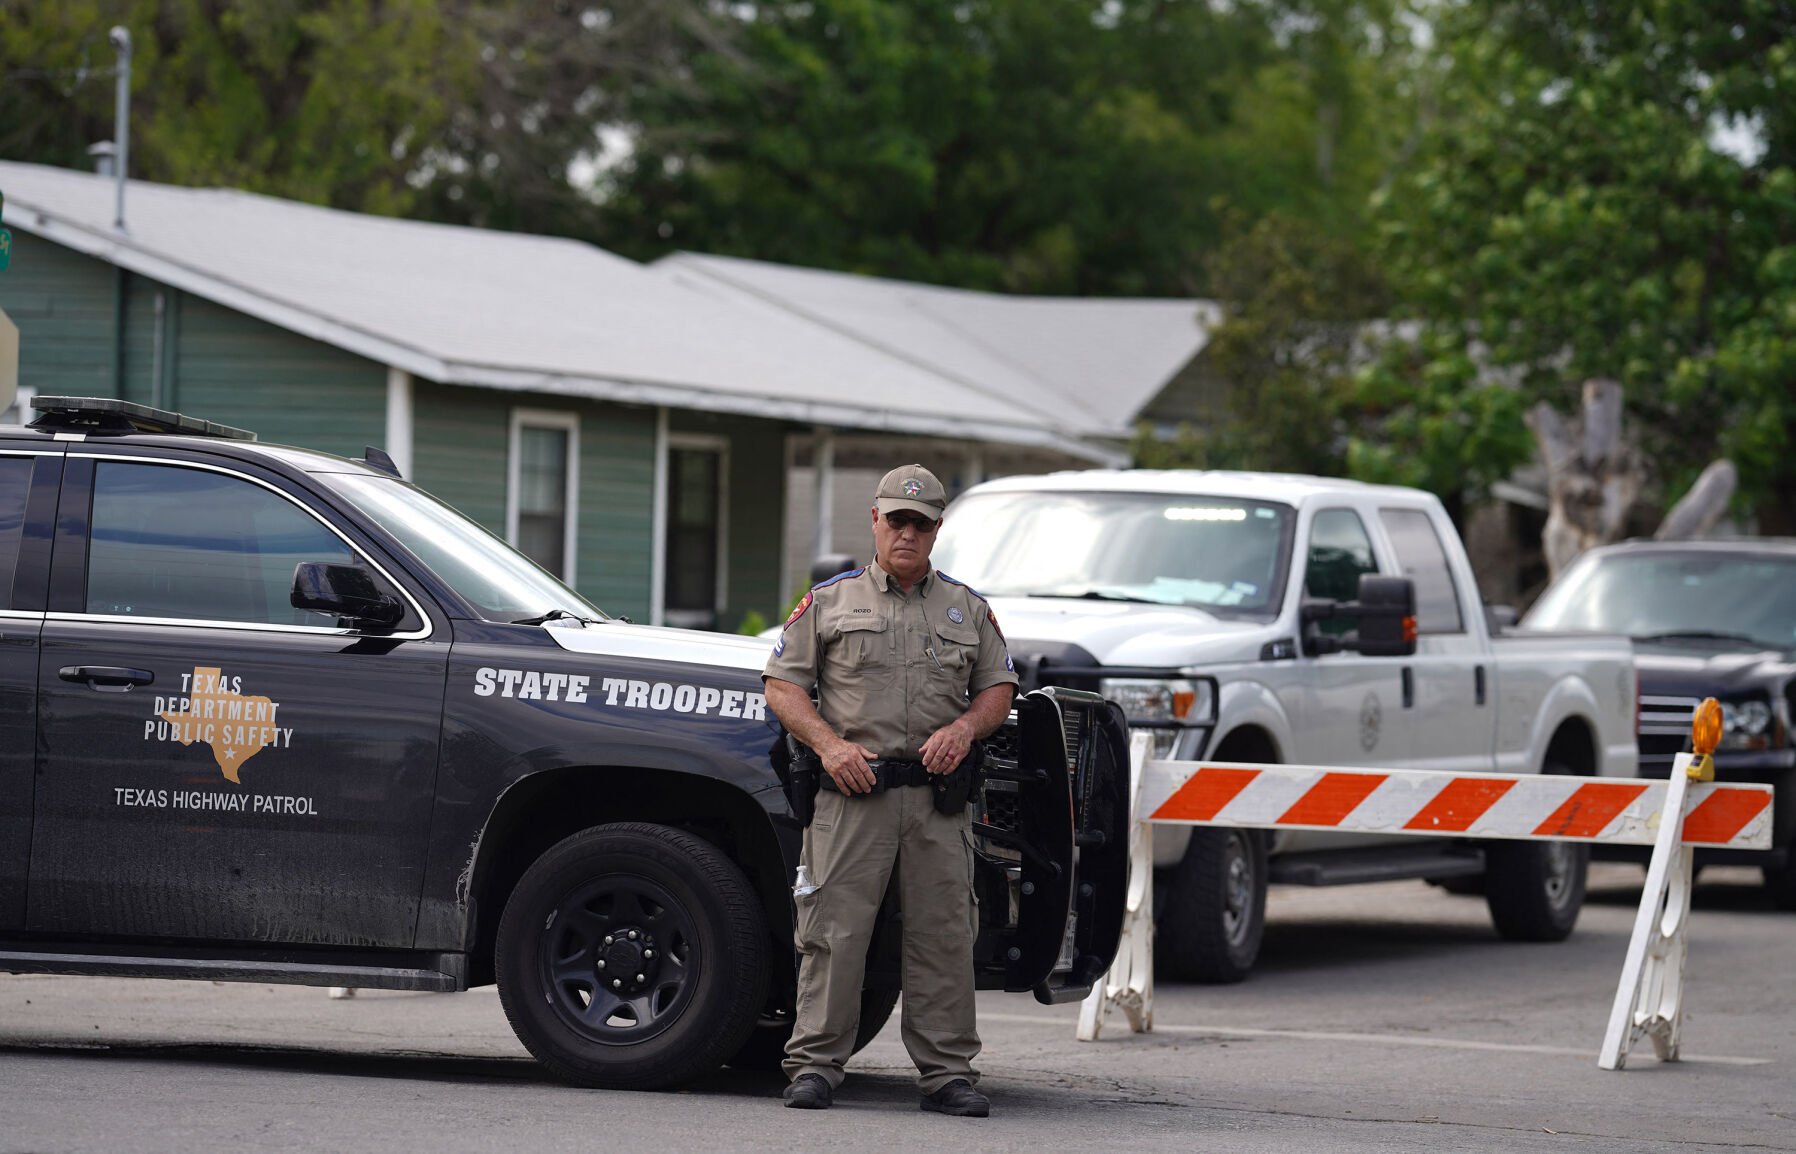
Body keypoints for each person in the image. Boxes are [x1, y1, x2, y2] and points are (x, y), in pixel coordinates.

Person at [763, 463, 1017, 1117]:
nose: (907, 533)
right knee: (833, 933)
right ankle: (815, 1066)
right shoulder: (830, 602)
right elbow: (783, 685)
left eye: (922, 523)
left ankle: (947, 1074)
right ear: (874, 521)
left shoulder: (968, 607)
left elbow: (998, 689)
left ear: (936, 531)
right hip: (853, 794)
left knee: (944, 934)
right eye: (896, 520)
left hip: (936, 801)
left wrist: (965, 729)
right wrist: (829, 746)